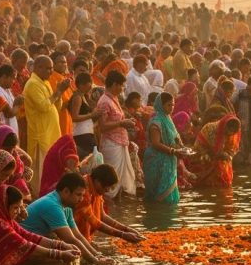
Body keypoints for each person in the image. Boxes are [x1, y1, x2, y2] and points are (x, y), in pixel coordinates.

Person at [20, 172, 113, 265]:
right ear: (66, 191)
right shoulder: (52, 205)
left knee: (76, 255)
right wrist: (95, 261)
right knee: (64, 260)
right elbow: (70, 239)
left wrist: (98, 255)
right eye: (78, 195)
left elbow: (78, 236)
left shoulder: (66, 207)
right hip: (21, 247)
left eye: (82, 195)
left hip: (37, 243)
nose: (81, 199)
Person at [23, 55, 72, 192]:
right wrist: (59, 91)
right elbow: (43, 106)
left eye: (51, 68)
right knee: (40, 173)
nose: (51, 72)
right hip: (41, 135)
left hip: (51, 133)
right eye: (48, 69)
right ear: (38, 68)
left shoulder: (44, 82)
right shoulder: (33, 84)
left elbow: (57, 106)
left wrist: (59, 93)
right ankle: (40, 199)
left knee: (51, 170)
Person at [74, 164, 143, 242]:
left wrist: (127, 229)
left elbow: (102, 216)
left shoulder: (95, 189)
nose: (108, 190)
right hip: (73, 236)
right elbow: (94, 222)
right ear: (97, 181)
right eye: (107, 187)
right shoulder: (83, 192)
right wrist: (122, 234)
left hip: (83, 237)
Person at [96, 70, 137, 198]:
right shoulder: (104, 101)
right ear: (114, 84)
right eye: (121, 85)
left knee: (119, 182)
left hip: (119, 143)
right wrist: (121, 123)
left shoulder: (113, 98)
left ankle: (117, 212)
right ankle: (108, 211)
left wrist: (127, 121)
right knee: (111, 183)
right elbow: (102, 127)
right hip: (111, 144)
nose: (122, 89)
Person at [143, 93, 183, 204]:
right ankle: (157, 216)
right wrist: (173, 151)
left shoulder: (168, 119)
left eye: (173, 105)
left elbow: (175, 138)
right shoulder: (156, 121)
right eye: (169, 105)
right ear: (161, 105)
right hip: (156, 159)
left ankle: (167, 217)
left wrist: (183, 148)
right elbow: (155, 143)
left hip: (168, 159)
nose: (171, 108)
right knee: (157, 195)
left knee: (169, 195)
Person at [186, 113, 242, 188]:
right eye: (230, 131)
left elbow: (232, 149)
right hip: (202, 153)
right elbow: (214, 150)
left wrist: (229, 155)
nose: (231, 134)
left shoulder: (232, 134)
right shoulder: (212, 129)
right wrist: (223, 155)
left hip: (219, 156)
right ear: (225, 127)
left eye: (233, 132)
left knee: (223, 171)